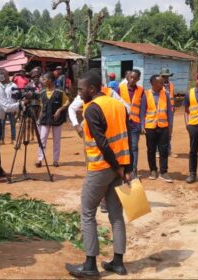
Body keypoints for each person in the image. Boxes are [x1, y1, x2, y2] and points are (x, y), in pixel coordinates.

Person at [66, 71, 131, 277]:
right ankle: (118, 263)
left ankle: (90, 266)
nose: (79, 93)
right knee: (116, 215)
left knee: (87, 213)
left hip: (102, 167)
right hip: (119, 167)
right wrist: (125, 168)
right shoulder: (118, 105)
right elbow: (125, 138)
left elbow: (102, 143)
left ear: (92, 89)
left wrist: (115, 166)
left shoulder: (93, 109)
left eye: (80, 89)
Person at [0, 67, 29, 183]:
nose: (8, 77)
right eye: (6, 74)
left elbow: (7, 103)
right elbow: (6, 107)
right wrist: (21, 104)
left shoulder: (1, 87)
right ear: (0, 76)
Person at [141, 75, 173, 183]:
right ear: (153, 83)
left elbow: (169, 111)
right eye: (160, 82)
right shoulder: (146, 94)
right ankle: (153, 170)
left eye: (163, 82)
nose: (162, 84)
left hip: (163, 127)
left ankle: (163, 172)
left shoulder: (166, 94)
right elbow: (142, 111)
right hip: (150, 127)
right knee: (151, 150)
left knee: (164, 150)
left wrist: (170, 126)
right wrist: (142, 125)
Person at [36, 72, 70, 167]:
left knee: (56, 140)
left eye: (44, 79)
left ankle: (55, 160)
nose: (42, 81)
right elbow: (41, 107)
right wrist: (39, 119)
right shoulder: (42, 93)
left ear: (50, 80)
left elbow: (67, 102)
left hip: (57, 120)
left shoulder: (60, 92)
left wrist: (59, 110)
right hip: (45, 119)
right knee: (42, 139)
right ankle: (39, 159)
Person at [119, 69, 144, 178]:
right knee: (122, 147)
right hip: (122, 123)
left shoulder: (141, 90)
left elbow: (143, 108)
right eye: (131, 77)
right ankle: (123, 170)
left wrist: (142, 124)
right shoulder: (120, 88)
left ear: (138, 79)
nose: (132, 80)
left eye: (135, 78)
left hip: (135, 124)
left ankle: (133, 171)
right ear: (128, 77)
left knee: (134, 147)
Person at [160, 68, 178, 158]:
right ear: (161, 76)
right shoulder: (158, 85)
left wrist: (173, 106)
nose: (166, 78)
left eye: (167, 76)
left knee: (169, 131)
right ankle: (158, 151)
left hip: (170, 112)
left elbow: (172, 96)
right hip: (161, 112)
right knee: (159, 131)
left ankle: (168, 150)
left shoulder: (171, 85)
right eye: (164, 76)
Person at [1, 79, 18, 145]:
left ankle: (13, 139)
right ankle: (2, 139)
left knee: (12, 124)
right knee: (2, 124)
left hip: (11, 107)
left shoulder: (14, 85)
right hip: (3, 107)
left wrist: (16, 108)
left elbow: (16, 97)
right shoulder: (1, 86)